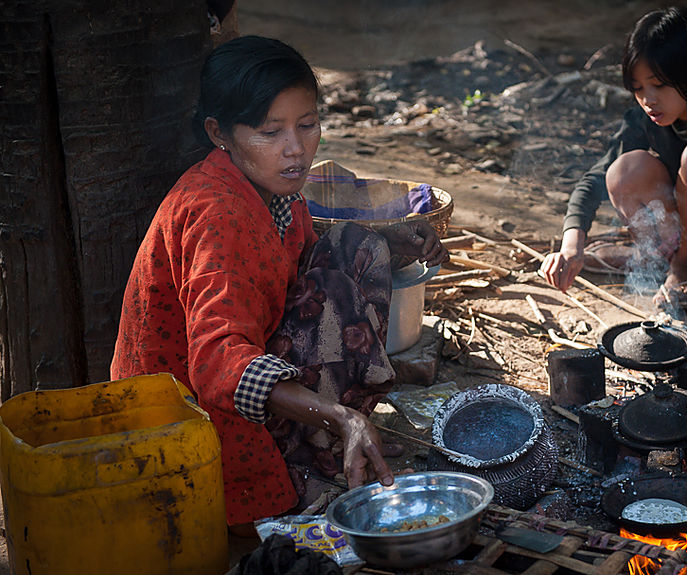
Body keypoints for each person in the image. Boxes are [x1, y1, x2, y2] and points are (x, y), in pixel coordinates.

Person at [110, 35, 448, 531]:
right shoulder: (217, 214)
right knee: (335, 287)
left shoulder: (274, 190)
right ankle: (315, 450)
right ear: (219, 133)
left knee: (356, 247)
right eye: (271, 132)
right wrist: (339, 416)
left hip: (241, 363)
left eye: (308, 125)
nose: (295, 149)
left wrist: (389, 240)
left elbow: (302, 264)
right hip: (186, 417)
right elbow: (218, 364)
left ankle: (327, 440)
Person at [540, 6, 687, 364]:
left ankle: (685, 272)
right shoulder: (645, 117)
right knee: (623, 169)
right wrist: (572, 245)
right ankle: (664, 266)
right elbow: (595, 178)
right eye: (638, 88)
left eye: (659, 85)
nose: (648, 99)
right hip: (675, 241)